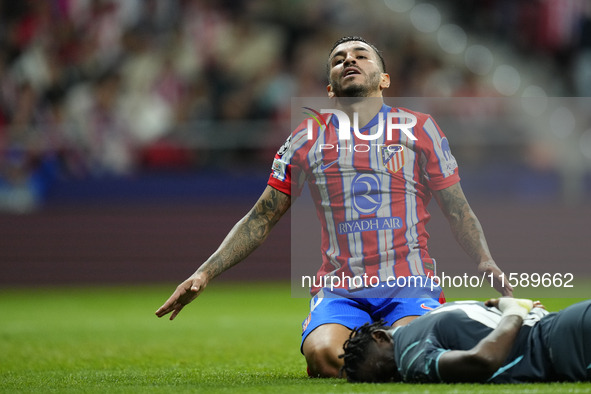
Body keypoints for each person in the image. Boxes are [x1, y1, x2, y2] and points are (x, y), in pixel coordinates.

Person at [155, 36, 513, 378]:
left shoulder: (420, 128)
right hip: (340, 288)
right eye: (338, 59)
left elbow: (458, 208)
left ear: (384, 79)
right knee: (326, 356)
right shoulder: (307, 136)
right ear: (330, 87)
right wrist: (204, 273)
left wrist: (484, 259)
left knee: (407, 348)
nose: (348, 60)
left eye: (360, 55)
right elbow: (261, 217)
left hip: (409, 284)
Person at [340, 298, 591, 383]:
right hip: (569, 325)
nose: (398, 377)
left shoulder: (409, 354)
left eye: (386, 370)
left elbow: (484, 359)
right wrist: (512, 308)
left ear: (380, 336)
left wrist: (514, 309)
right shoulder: (432, 315)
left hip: (569, 347)